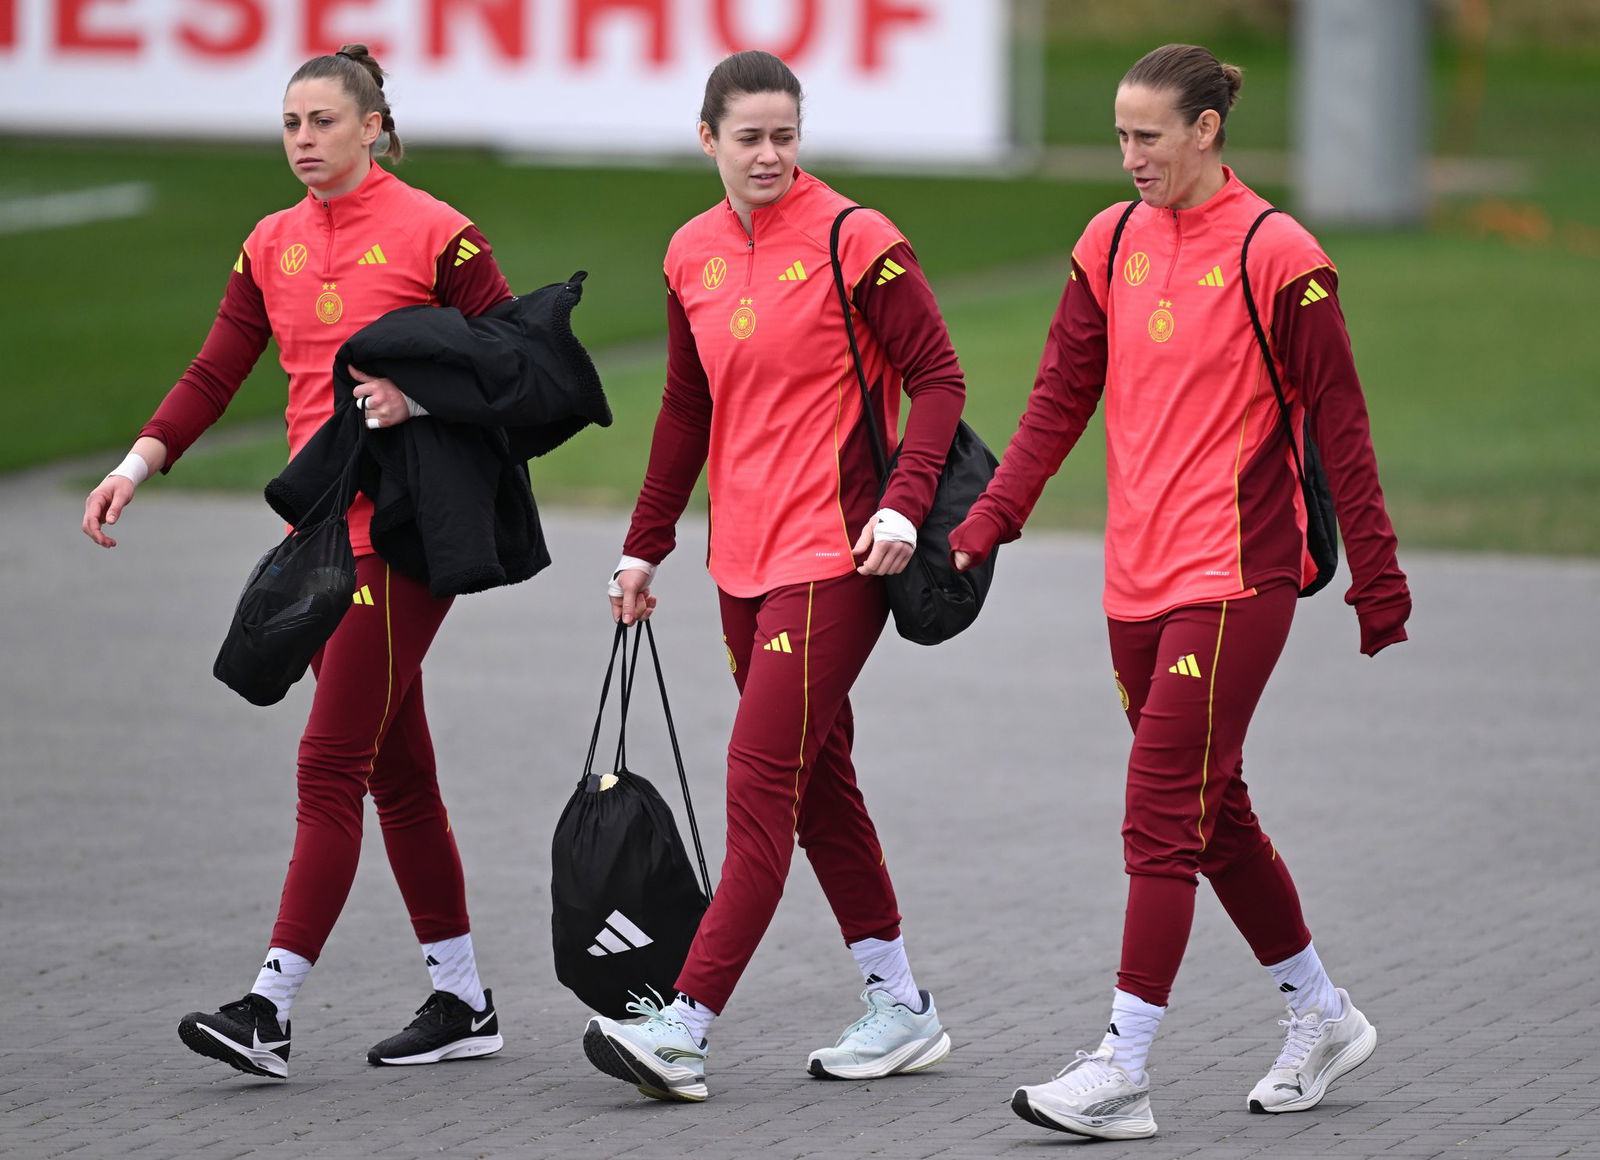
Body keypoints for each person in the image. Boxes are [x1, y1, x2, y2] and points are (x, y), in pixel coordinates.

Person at [949, 44, 1411, 1141]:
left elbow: (1339, 421)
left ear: (1206, 129)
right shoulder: (1106, 240)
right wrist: (989, 518)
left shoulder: (1276, 251)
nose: (1130, 156)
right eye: (1119, 135)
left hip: (1234, 575)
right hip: (1134, 583)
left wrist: (1377, 578)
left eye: (1148, 135)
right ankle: (1323, 1012)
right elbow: (1059, 395)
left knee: (1159, 813)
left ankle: (1122, 1064)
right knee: (1213, 812)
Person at [81, 44, 515, 1079]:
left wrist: (421, 397)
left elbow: (519, 363)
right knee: (396, 766)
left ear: (373, 127)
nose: (304, 141)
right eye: (290, 124)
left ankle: (269, 1005)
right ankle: (461, 995)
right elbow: (216, 364)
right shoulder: (269, 241)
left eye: (323, 121)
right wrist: (137, 463)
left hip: (409, 536)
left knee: (329, 764)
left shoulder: (438, 232)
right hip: (321, 535)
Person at [582, 50, 966, 1103]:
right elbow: (684, 408)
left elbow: (937, 376)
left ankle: (685, 1024)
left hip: (836, 558)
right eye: (748, 136)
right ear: (706, 138)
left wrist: (903, 499)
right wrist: (643, 542)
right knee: (817, 780)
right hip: (737, 564)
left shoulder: (857, 240)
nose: (768, 155)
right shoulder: (689, 252)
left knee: (757, 784)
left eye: (784, 135)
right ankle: (900, 1005)